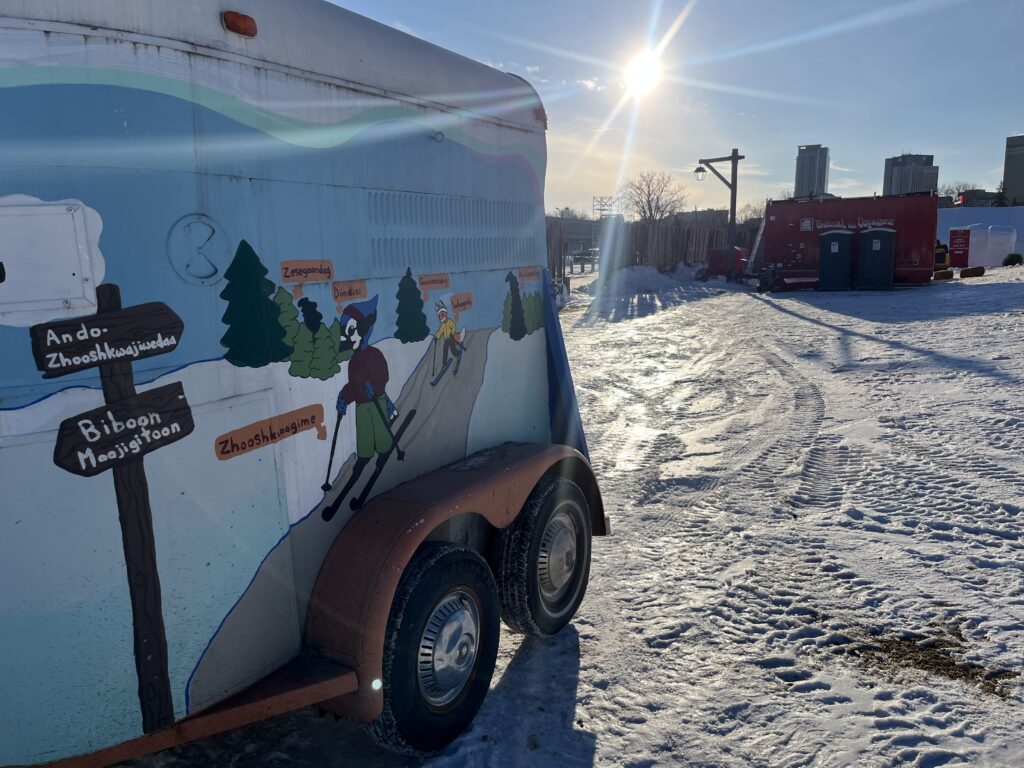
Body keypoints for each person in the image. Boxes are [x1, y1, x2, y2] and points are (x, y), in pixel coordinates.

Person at [434, 300, 465, 375]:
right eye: (440, 316)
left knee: (452, 349)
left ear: (445, 313)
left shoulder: (449, 321)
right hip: (447, 339)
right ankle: (444, 364)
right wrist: (436, 337)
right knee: (445, 350)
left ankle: (457, 354)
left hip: (452, 338)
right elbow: (440, 331)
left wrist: (452, 333)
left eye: (442, 315)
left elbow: (453, 327)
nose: (441, 317)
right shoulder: (442, 325)